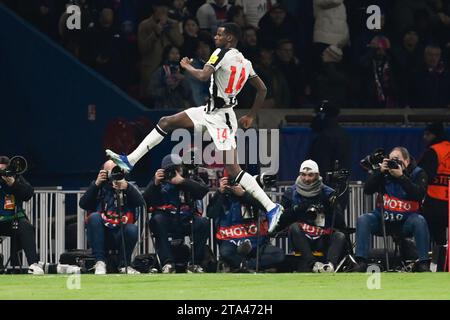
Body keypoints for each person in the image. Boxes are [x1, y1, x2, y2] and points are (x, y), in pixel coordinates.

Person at [106, 22, 284, 234]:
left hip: (221, 118)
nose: (215, 37)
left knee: (234, 170)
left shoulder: (220, 52)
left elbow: (203, 76)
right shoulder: (246, 63)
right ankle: (129, 161)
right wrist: (252, 115)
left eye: (219, 34)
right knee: (166, 122)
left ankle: (272, 207)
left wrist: (187, 66)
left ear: (229, 39)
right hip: (209, 112)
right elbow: (262, 90)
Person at [353, 147, 430, 272]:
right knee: (364, 219)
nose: (393, 163)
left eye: (397, 160)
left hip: (406, 222)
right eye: (391, 160)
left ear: (407, 161)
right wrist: (380, 172)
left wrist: (401, 177)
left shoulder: (418, 173)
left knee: (420, 221)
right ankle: (361, 262)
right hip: (383, 220)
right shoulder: (384, 173)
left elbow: (419, 194)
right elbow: (368, 190)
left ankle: (423, 263)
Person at [275, 160, 347, 273]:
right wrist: (297, 209)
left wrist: (329, 207)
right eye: (303, 175)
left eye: (310, 175)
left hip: (322, 236)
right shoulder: (290, 192)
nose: (306, 179)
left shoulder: (328, 193)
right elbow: (280, 220)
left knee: (340, 235)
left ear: (317, 175)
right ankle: (313, 264)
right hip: (301, 237)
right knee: (294, 227)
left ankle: (330, 266)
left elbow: (341, 223)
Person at [142, 154, 210, 273]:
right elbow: (145, 201)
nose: (174, 172)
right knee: (157, 220)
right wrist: (155, 182)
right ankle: (167, 263)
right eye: (170, 170)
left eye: (177, 169)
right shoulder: (159, 181)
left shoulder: (188, 178)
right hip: (166, 219)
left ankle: (194, 263)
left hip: (186, 219)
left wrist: (183, 181)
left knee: (203, 222)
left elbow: (203, 191)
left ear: (182, 168)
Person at [207, 176, 285, 272]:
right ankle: (250, 266)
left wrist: (244, 194)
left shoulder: (253, 194)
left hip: (256, 242)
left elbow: (266, 207)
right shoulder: (222, 196)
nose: (234, 185)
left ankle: (244, 266)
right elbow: (210, 214)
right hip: (231, 241)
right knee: (226, 253)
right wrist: (220, 192)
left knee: (279, 254)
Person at [79, 160, 144, 274]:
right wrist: (96, 184)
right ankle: (100, 262)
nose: (112, 174)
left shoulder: (128, 185)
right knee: (94, 217)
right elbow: (83, 204)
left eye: (115, 170)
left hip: (121, 233)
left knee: (132, 229)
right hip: (101, 233)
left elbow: (141, 202)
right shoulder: (98, 187)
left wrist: (126, 187)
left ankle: (124, 265)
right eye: (108, 171)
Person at [0, 156, 43, 275]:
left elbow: (28, 193)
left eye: (4, 170)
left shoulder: (15, 177)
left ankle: (34, 264)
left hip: (12, 220)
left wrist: (13, 184)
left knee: (26, 226)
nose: (2, 173)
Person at [418, 122, 450, 246]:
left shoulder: (433, 151)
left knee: (438, 241)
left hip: (436, 202)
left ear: (434, 135)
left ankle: (436, 263)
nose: (424, 138)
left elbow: (424, 175)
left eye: (427, 134)